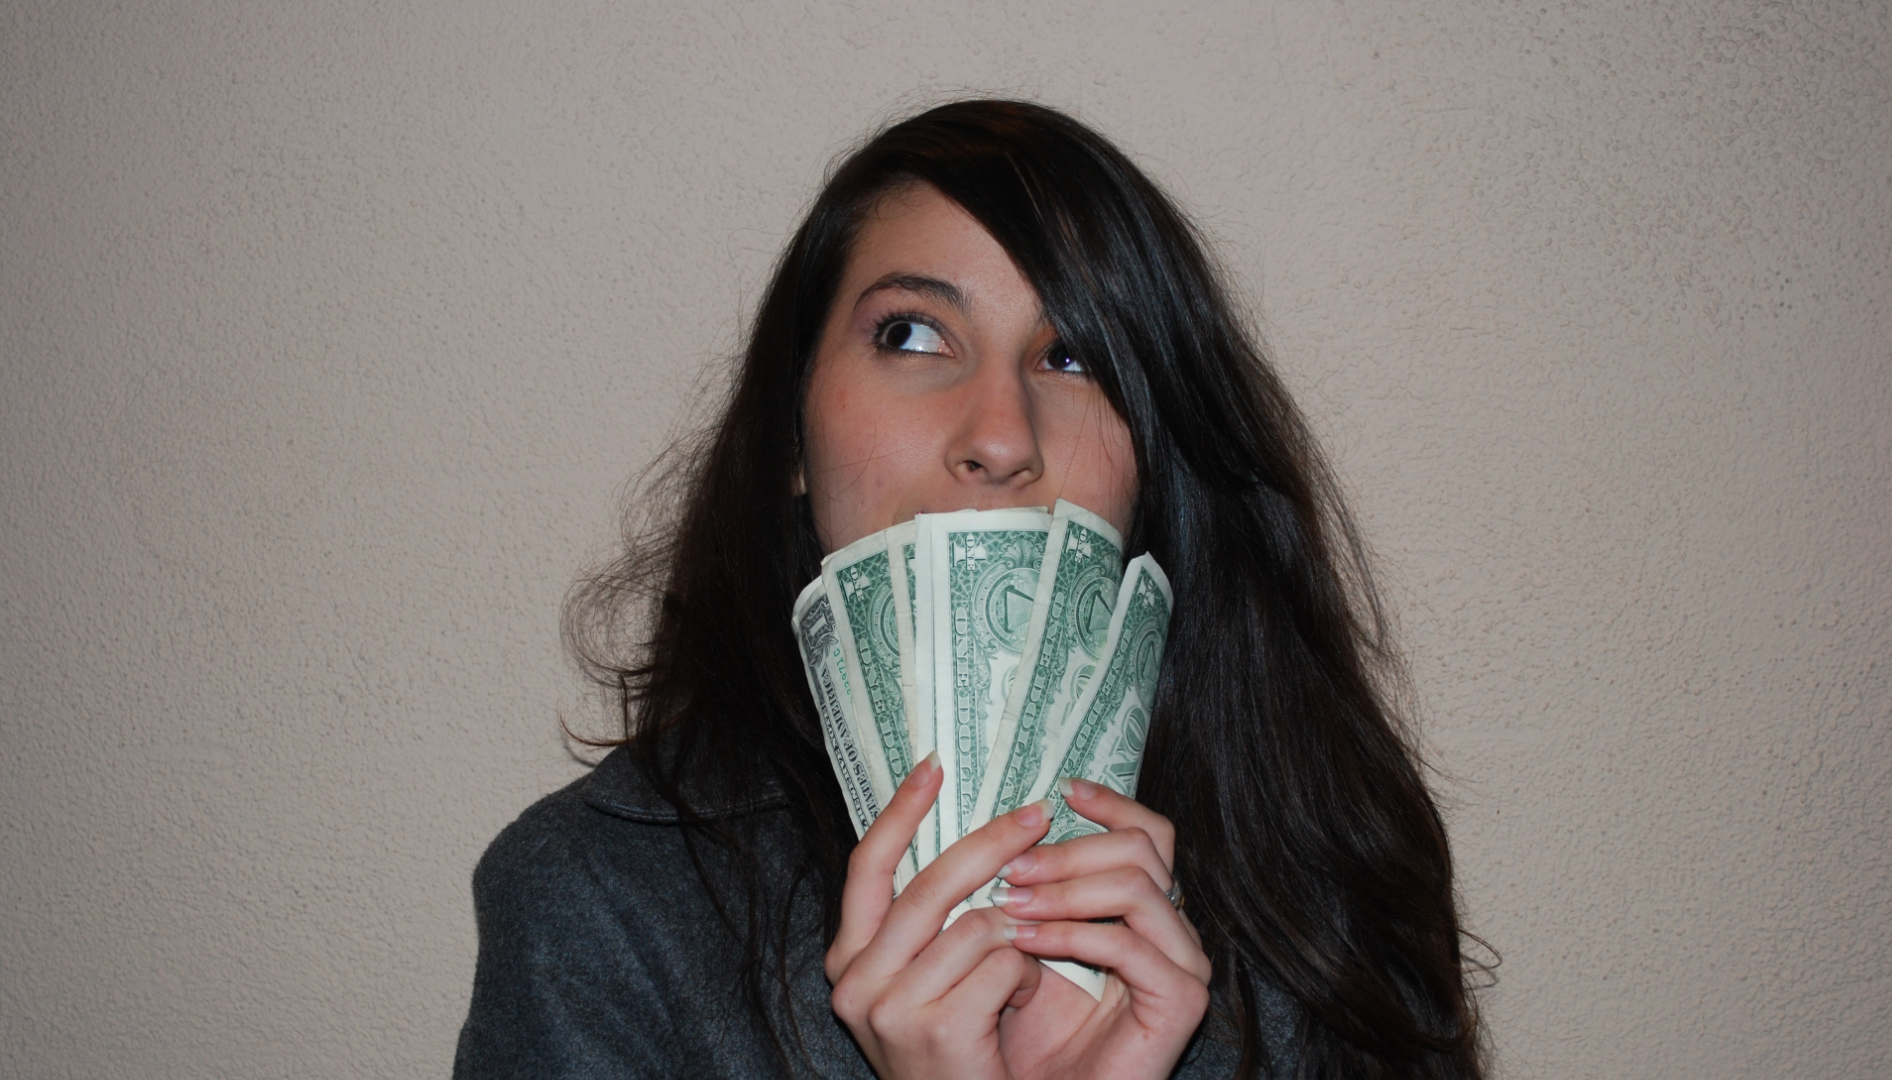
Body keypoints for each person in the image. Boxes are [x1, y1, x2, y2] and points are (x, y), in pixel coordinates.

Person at [454, 100, 1486, 1079]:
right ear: (792, 430)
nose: (999, 437)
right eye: (910, 333)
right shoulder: (593, 903)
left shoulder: (1322, 884)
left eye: (1073, 354)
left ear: (1153, 458)